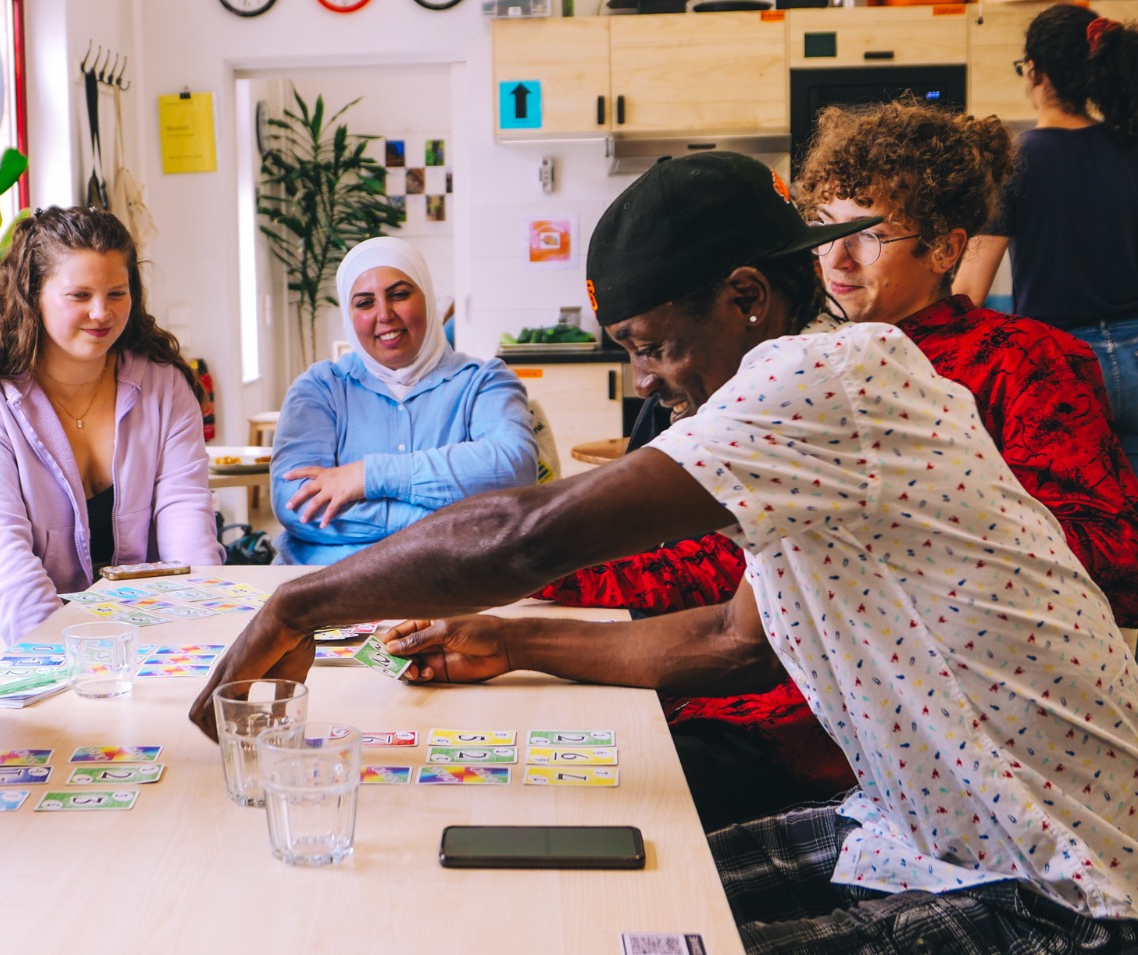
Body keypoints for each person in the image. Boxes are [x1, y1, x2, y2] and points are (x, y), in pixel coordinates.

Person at [190, 153, 1138, 953]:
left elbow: (522, 532)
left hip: (1060, 878)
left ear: (748, 298)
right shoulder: (824, 390)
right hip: (917, 831)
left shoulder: (818, 379)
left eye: (653, 348)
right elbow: (736, 639)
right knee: (580, 914)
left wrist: (295, 604)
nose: (649, 383)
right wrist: (514, 643)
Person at [0, 206, 221, 644]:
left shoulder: (165, 386)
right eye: (79, 296)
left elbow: (187, 520)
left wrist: (206, 629)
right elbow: (4, 566)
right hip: (9, 643)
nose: (101, 313)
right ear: (33, 296)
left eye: (117, 294)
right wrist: (75, 662)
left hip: (145, 635)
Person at [271, 237, 538, 565]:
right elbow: (295, 503)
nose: (384, 314)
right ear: (348, 314)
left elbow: (514, 467)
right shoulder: (319, 389)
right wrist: (447, 522)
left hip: (453, 592)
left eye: (399, 295)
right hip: (324, 586)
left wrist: (368, 476)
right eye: (365, 303)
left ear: (426, 298)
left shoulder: (485, 381)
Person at [954, 3, 1138, 475]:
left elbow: (969, 290)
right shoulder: (1130, 146)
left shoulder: (1016, 160)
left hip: (1062, 366)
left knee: (1079, 521)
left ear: (1033, 71)